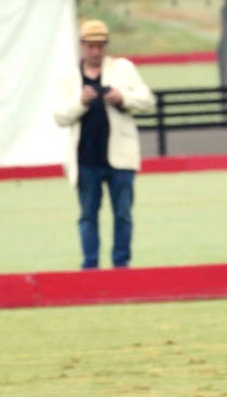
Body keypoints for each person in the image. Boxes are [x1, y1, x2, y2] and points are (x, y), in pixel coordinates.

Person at [54, 20, 155, 270]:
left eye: (100, 46)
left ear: (106, 45)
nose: (96, 52)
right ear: (82, 47)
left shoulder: (123, 69)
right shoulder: (69, 78)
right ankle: (90, 267)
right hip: (86, 159)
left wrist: (123, 98)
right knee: (88, 216)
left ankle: (121, 265)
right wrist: (81, 102)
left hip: (121, 158)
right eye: (91, 47)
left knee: (123, 215)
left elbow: (148, 102)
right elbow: (60, 116)